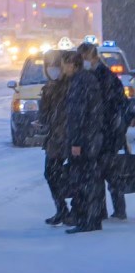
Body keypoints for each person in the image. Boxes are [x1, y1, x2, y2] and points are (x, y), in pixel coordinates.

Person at [77, 41, 129, 221]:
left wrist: (108, 122)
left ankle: (118, 208)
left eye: (84, 57)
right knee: (97, 172)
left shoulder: (104, 75)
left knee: (109, 171)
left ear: (93, 57)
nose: (83, 61)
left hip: (107, 131)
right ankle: (102, 210)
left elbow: (116, 102)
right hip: (96, 131)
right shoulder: (86, 75)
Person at [62, 48, 105, 233]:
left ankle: (86, 220)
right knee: (89, 180)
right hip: (92, 138)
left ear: (72, 64)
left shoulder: (80, 82)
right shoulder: (87, 79)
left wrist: (76, 142)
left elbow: (78, 115)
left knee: (82, 181)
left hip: (84, 140)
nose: (63, 69)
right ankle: (90, 218)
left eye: (64, 65)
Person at [39, 51, 72, 225]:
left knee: (70, 174)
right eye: (48, 66)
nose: (52, 70)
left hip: (69, 137)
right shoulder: (49, 87)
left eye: (55, 66)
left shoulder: (69, 85)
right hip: (54, 138)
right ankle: (62, 208)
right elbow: (45, 114)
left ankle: (72, 210)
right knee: (51, 173)